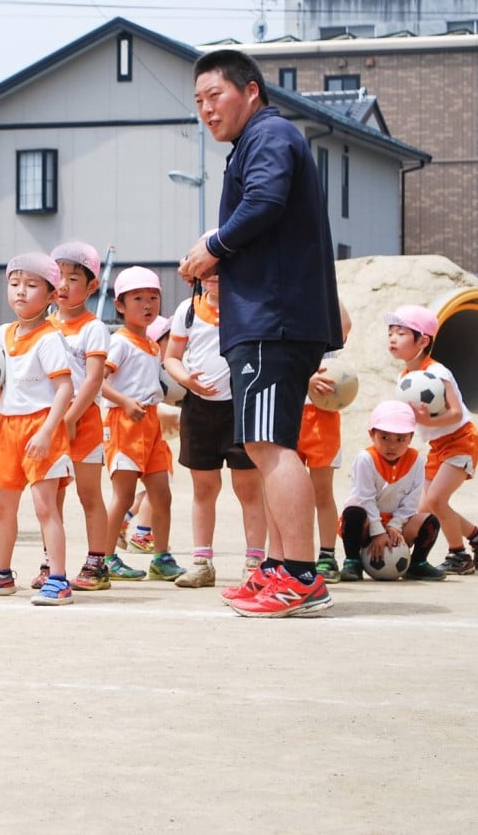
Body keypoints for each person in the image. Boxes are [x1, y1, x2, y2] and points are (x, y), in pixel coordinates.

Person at [181, 48, 343, 618]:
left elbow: (266, 201)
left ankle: (300, 576)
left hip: (274, 319)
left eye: (214, 95)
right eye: (198, 101)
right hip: (268, 318)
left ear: (250, 90)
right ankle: (277, 567)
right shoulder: (256, 142)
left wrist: (214, 246)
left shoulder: (269, 136)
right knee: (264, 444)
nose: (205, 109)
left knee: (269, 446)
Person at [0, 253, 75, 605]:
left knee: (44, 507)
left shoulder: (50, 338)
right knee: (2, 507)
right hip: (9, 427)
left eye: (32, 285)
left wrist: (46, 432)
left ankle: (58, 578)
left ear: (52, 295)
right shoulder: (4, 334)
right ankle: (1, 573)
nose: (21, 292)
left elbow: (66, 389)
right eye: (14, 284)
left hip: (42, 427)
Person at [163, 273, 265, 589]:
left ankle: (254, 563)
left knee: (248, 488)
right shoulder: (187, 310)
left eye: (222, 271)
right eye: (207, 273)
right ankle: (202, 563)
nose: (215, 279)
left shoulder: (248, 306)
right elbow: (171, 357)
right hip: (199, 409)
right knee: (204, 488)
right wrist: (187, 381)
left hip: (240, 406)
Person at [386, 304, 478, 574]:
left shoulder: (438, 373)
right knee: (424, 509)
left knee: (435, 501)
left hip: (461, 440)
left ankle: (458, 555)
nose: (392, 338)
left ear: (423, 341)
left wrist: (428, 421)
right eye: (390, 333)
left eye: (401, 333)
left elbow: (456, 412)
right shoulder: (404, 378)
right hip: (437, 446)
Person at [100, 267, 182, 584]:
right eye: (138, 298)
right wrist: (124, 401)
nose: (147, 304)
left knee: (162, 494)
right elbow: (98, 382)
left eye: (153, 298)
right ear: (120, 305)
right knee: (123, 495)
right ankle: (104, 558)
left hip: (149, 423)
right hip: (124, 423)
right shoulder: (119, 342)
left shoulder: (150, 345)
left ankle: (161, 557)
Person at [48, 242, 112, 591]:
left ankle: (96, 562)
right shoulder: (44, 325)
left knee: (89, 494)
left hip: (83, 421)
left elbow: (94, 378)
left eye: (73, 278)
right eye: (58, 276)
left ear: (91, 287)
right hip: (51, 422)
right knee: (51, 494)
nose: (63, 284)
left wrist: (71, 418)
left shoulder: (93, 327)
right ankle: (50, 561)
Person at [338, 400, 447, 582]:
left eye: (400, 439)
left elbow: (412, 500)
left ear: (411, 438)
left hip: (397, 523)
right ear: (372, 435)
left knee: (429, 520)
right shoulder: (366, 459)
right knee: (353, 512)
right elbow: (365, 498)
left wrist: (394, 525)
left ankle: (417, 563)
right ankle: (352, 561)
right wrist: (378, 531)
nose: (392, 445)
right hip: (368, 521)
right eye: (385, 437)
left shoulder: (417, 461)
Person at [299, 301, 353, 582]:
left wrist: (325, 286)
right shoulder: (288, 327)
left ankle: (327, 555)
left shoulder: (328, 334)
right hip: (292, 413)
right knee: (293, 491)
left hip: (323, 417)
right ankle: (294, 554)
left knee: (322, 492)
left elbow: (345, 324)